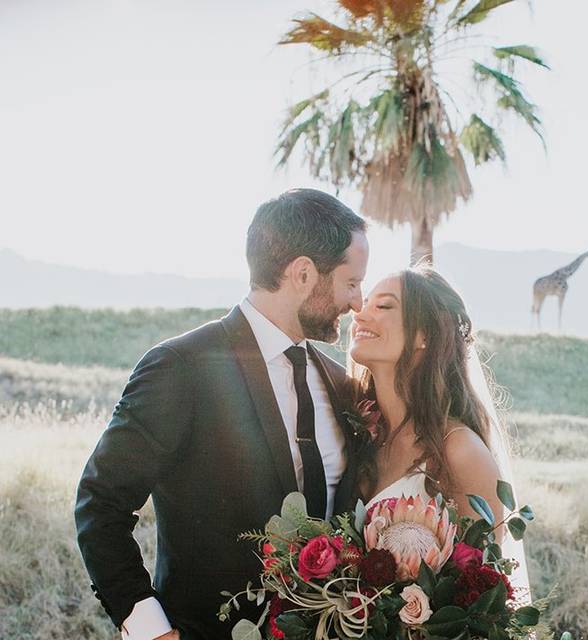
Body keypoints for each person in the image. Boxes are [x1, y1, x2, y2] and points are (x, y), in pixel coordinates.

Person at [75, 188, 369, 640]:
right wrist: (150, 629)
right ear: (304, 274)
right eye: (351, 282)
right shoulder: (182, 366)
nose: (358, 302)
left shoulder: (339, 381)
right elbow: (101, 503)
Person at [348, 266, 530, 599]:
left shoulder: (459, 450)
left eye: (383, 306)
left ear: (425, 335)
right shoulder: (360, 436)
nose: (359, 314)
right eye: (365, 302)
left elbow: (481, 599)